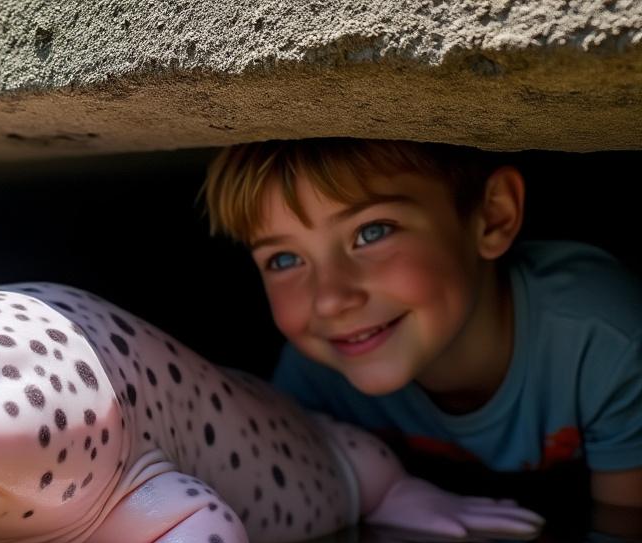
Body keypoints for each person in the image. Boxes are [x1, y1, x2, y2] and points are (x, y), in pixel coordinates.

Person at [201, 138, 642, 508]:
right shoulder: (315, 379)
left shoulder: (605, 342)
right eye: (284, 259)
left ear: (492, 217)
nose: (332, 300)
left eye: (372, 232)